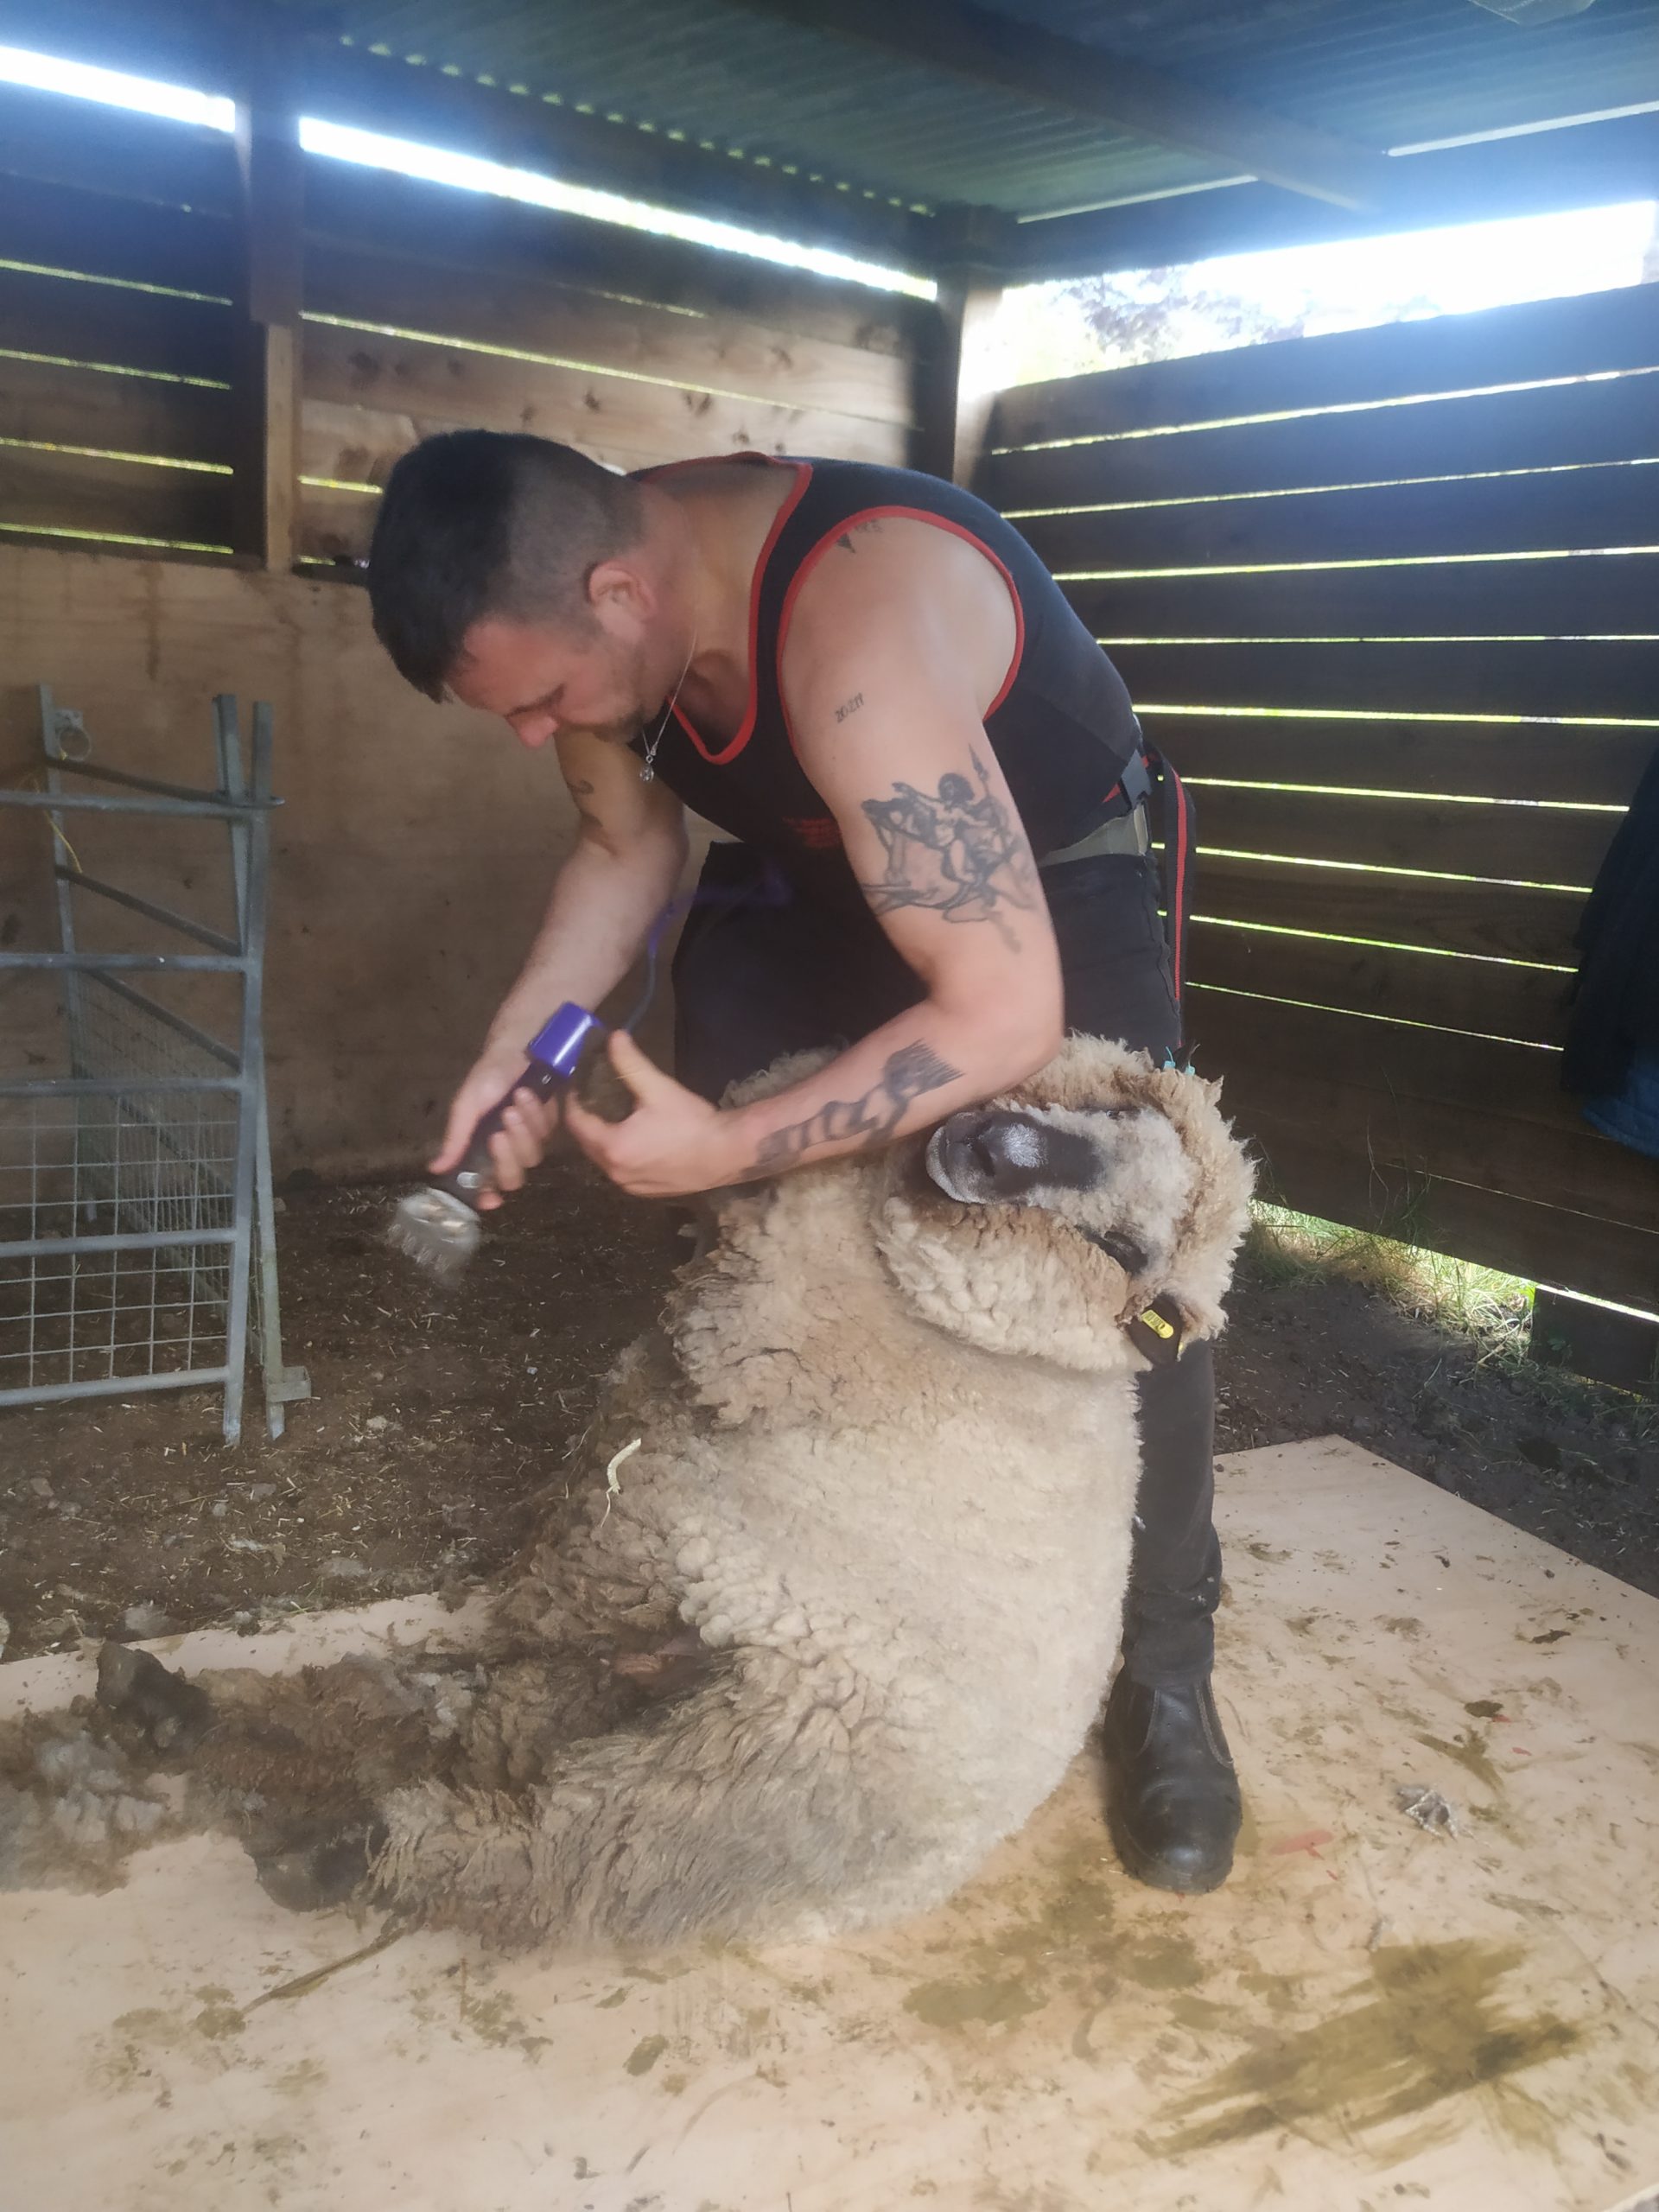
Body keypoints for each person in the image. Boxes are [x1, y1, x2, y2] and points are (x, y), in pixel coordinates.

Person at [365, 431, 1241, 1895]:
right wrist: (521, 1058)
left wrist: (724, 1140)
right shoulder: (607, 613)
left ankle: (1165, 1668)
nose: (532, 734)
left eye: (543, 701)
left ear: (620, 594)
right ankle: (782, 1586)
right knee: (753, 1238)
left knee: (1115, 1260)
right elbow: (624, 852)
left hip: (1033, 890)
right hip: (819, 870)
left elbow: (998, 1010)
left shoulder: (857, 638)